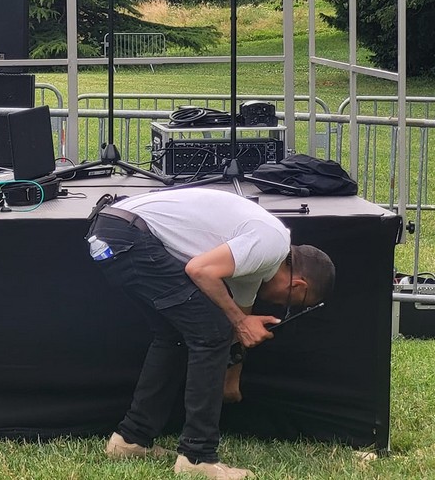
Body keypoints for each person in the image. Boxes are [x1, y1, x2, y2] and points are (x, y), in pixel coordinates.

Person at [86, 187, 336, 480]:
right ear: (298, 287)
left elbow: (235, 328)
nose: (279, 306)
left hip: (114, 232)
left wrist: (231, 380)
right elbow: (200, 271)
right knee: (211, 328)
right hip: (126, 234)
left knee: (175, 335)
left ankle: (131, 440)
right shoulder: (272, 242)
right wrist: (241, 323)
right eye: (289, 304)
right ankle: (196, 457)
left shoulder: (253, 267)